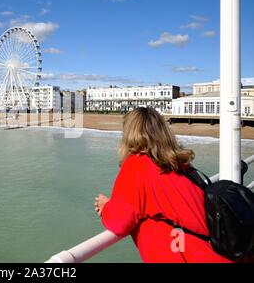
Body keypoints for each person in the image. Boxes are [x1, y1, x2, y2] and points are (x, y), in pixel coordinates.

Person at [94, 107, 234, 263]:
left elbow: (119, 222)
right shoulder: (182, 165)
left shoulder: (136, 166)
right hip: (221, 253)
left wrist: (106, 207)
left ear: (128, 135)